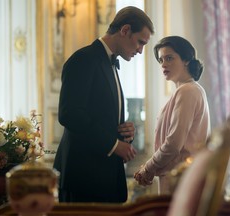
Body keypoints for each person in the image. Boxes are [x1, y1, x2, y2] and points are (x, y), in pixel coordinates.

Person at [53, 6, 154, 203]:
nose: (141, 51)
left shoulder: (110, 64)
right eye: (140, 42)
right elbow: (70, 113)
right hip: (83, 178)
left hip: (105, 178)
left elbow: (100, 116)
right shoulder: (83, 59)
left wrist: (125, 132)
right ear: (125, 30)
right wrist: (114, 144)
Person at [134, 36, 211, 194]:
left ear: (186, 60)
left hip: (181, 179)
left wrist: (148, 168)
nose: (164, 64)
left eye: (169, 58)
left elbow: (173, 144)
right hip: (181, 177)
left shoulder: (188, 91)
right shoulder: (187, 90)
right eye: (161, 60)